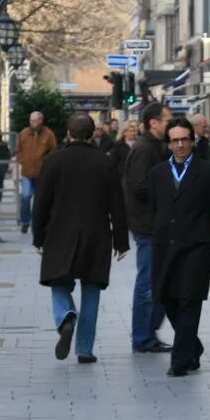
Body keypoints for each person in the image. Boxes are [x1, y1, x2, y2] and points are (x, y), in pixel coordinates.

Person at [32, 114, 129, 364]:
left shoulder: (53, 161)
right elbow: (117, 204)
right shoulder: (104, 163)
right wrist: (121, 241)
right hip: (96, 234)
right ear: (92, 133)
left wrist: (38, 236)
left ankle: (65, 316)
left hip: (60, 233)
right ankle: (84, 349)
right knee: (92, 290)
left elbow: (41, 202)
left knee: (59, 282)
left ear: (68, 133)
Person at [150, 117, 210, 377]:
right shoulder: (158, 173)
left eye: (185, 139)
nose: (180, 145)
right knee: (167, 298)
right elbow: (155, 206)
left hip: (195, 246)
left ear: (193, 142)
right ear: (168, 144)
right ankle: (192, 346)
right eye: (175, 140)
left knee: (189, 302)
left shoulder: (209, 172)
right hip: (165, 246)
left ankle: (179, 361)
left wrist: (204, 234)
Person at [124, 102, 174, 354]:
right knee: (147, 283)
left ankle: (148, 333)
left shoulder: (156, 147)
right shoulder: (145, 150)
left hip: (158, 225)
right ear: (154, 123)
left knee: (161, 281)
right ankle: (142, 337)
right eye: (167, 120)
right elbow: (140, 186)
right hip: (148, 226)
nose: (171, 124)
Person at [14, 111, 57, 234]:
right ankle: (25, 222)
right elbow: (18, 149)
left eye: (34, 120)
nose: (32, 123)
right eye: (31, 120)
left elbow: (53, 151)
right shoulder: (24, 133)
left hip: (41, 172)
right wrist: (22, 160)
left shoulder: (48, 134)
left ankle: (37, 222)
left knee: (39, 199)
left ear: (40, 121)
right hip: (27, 171)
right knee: (26, 196)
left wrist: (45, 162)